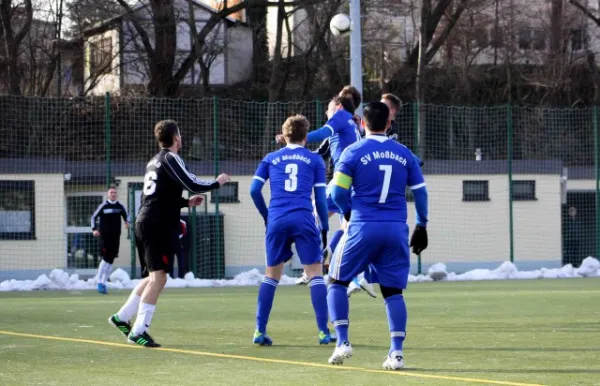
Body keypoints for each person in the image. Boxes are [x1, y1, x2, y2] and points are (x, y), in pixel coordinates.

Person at [108, 119, 230, 348]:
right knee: (159, 278)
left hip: (146, 221)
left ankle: (122, 317)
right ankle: (139, 330)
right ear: (176, 138)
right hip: (156, 225)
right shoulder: (170, 158)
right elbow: (191, 181)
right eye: (180, 135)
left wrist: (185, 203)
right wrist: (217, 183)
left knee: (152, 276)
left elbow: (158, 197)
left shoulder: (153, 162)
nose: (181, 138)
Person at [326, 102, 429, 369]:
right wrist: (422, 225)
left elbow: (337, 193)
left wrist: (348, 213)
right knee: (393, 292)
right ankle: (396, 353)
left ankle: (343, 342)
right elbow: (420, 191)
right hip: (395, 229)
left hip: (363, 226)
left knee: (336, 281)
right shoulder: (404, 153)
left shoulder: (353, 152)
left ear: (362, 124)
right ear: (389, 124)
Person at [250, 114, 334, 346]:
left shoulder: (271, 158)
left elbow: (254, 190)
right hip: (304, 218)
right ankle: (323, 332)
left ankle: (259, 330)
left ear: (284, 135)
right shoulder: (314, 160)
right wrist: (324, 226)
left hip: (277, 219)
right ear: (306, 136)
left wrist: (268, 216)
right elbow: (319, 196)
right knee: (315, 274)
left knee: (271, 276)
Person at [91, 186, 129, 294]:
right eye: (111, 192)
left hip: (116, 237)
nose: (113, 194)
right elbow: (93, 217)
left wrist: (127, 222)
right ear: (108, 194)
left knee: (111, 260)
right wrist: (94, 229)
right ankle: (99, 282)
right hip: (104, 237)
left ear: (116, 194)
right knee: (106, 258)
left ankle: (103, 283)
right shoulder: (103, 206)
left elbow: (127, 216)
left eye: (114, 192)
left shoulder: (120, 206)